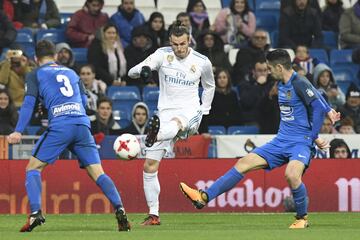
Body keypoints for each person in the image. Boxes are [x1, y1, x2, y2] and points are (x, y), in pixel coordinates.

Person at [179, 49, 340, 229]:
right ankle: (203, 197)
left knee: (292, 175)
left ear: (279, 67)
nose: (269, 71)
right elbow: (318, 98)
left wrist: (313, 136)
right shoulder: (282, 84)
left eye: (270, 68)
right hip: (280, 141)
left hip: (300, 143)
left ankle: (302, 218)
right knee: (243, 163)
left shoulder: (299, 82)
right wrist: (329, 111)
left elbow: (317, 106)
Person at [7, 40, 130, 232]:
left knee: (33, 167)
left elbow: (29, 104)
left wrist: (18, 130)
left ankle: (35, 213)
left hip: (61, 126)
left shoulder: (35, 74)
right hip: (81, 124)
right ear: (55, 56)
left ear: (35, 58)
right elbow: (82, 100)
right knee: (98, 172)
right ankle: (120, 208)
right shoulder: (71, 72)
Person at [128, 22, 215, 225]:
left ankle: (154, 135)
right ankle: (154, 215)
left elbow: (209, 86)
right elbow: (132, 71)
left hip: (190, 112)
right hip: (164, 115)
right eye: (175, 44)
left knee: (177, 122)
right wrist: (145, 70)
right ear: (170, 41)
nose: (179, 48)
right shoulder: (162, 54)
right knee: (149, 166)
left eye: (183, 43)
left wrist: (205, 110)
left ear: (189, 40)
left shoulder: (202, 61)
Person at [87, 22, 127, 86]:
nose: (112, 35)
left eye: (114, 33)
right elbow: (96, 67)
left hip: (119, 82)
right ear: (103, 34)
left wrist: (123, 80)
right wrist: (111, 81)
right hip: (102, 82)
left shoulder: (119, 47)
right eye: (109, 33)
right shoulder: (96, 46)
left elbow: (124, 66)